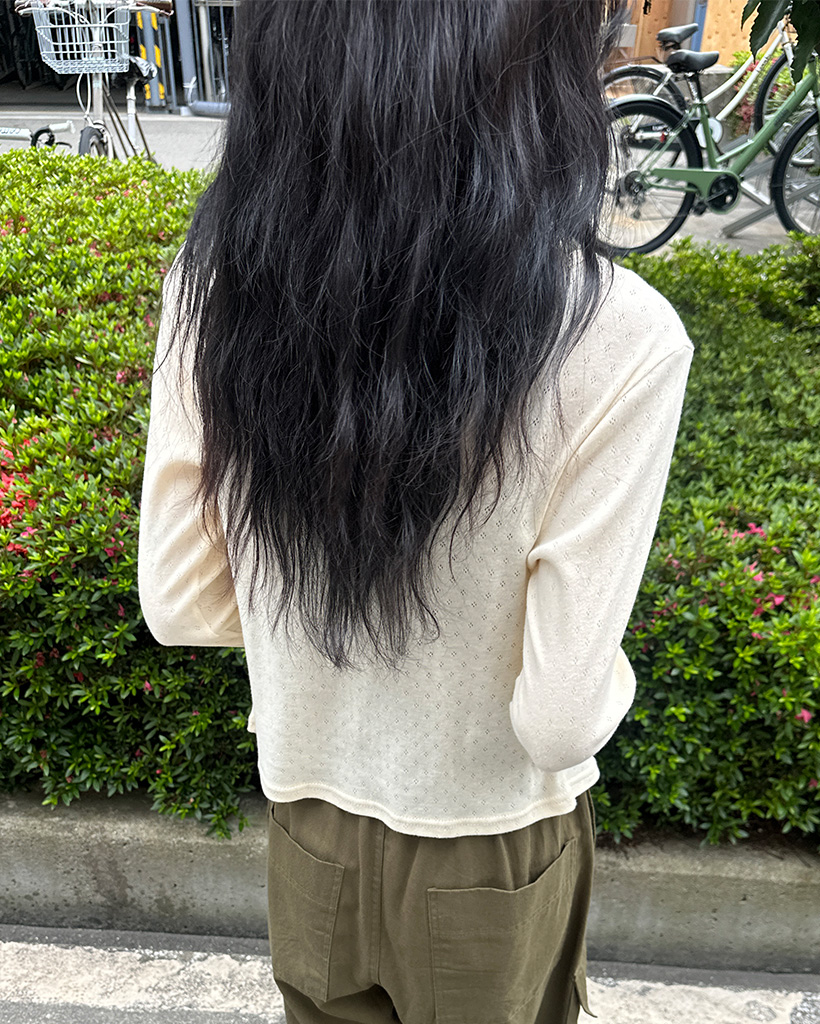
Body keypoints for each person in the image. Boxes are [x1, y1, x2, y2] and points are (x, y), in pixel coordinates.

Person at [138, 2, 693, 1021]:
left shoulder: (215, 287)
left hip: (309, 823)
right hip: (490, 853)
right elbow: (558, 719)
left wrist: (315, 643)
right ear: (535, 68)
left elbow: (179, 603)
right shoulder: (622, 338)